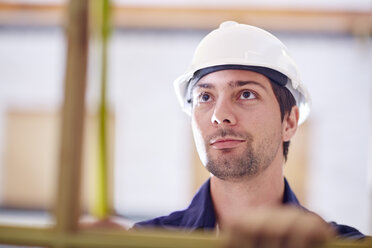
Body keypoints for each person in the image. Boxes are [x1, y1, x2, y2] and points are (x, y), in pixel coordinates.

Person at [134, 21, 365, 247]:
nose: (219, 115)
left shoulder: (342, 244)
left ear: (289, 122)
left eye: (246, 94)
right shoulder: (143, 241)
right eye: (205, 97)